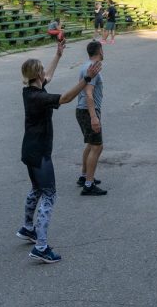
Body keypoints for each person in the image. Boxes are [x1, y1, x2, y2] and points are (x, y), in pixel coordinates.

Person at [18, 41, 102, 263]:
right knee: (49, 194)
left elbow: (50, 77)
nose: (45, 71)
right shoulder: (38, 97)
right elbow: (65, 98)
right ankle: (41, 246)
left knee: (37, 189)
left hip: (30, 150)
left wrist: (58, 55)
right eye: (42, 68)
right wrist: (86, 80)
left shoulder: (31, 90)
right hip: (39, 152)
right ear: (37, 74)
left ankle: (28, 228)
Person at [76, 41, 107, 195]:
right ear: (99, 50)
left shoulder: (87, 66)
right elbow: (88, 94)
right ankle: (88, 185)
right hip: (88, 111)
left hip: (83, 111)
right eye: (103, 49)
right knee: (97, 146)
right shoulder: (93, 69)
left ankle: (84, 176)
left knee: (91, 144)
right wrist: (94, 117)